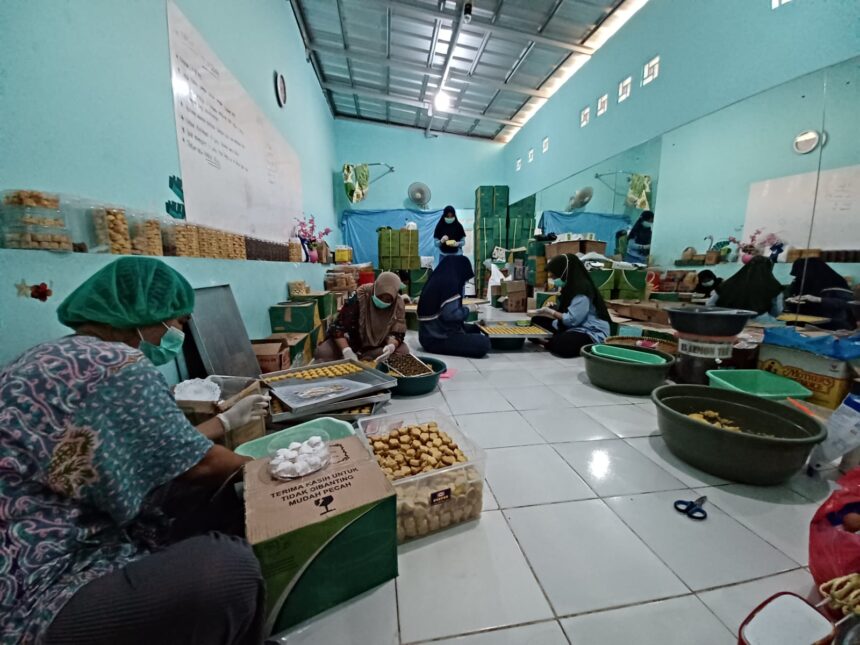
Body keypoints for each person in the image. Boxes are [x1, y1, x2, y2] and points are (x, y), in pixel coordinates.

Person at [0, 257, 267, 645]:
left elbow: (160, 446)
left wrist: (228, 422)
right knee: (228, 568)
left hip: (55, 538)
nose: (178, 334)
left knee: (207, 503)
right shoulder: (114, 363)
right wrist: (277, 469)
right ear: (145, 314)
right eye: (176, 323)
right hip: (32, 585)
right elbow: (200, 466)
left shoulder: (54, 356)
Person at [316, 271, 409, 361]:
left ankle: (368, 355)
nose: (383, 302)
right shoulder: (361, 296)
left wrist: (391, 347)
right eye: (380, 297)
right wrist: (346, 351)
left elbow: (397, 333)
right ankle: (358, 355)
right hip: (353, 342)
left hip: (379, 345)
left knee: (403, 352)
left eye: (388, 300)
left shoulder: (398, 304)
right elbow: (339, 327)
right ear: (375, 289)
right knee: (323, 352)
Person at [530, 254, 611, 358]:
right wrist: (554, 308)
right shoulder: (570, 286)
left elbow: (572, 320)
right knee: (536, 321)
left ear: (564, 272)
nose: (554, 280)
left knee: (562, 344)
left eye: (555, 277)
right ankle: (552, 339)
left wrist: (550, 312)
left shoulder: (582, 290)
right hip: (572, 326)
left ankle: (549, 342)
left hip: (588, 330)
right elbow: (569, 310)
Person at [417, 255, 490, 359]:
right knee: (483, 343)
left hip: (428, 334)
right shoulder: (449, 284)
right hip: (437, 338)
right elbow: (451, 315)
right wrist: (469, 309)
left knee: (476, 328)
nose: (463, 283)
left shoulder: (437, 279)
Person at [785, 258, 856, 330]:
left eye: (802, 275)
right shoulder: (799, 282)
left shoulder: (835, 282)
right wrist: (790, 301)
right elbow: (792, 298)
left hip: (836, 326)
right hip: (806, 324)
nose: (799, 278)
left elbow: (848, 304)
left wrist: (819, 299)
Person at [707, 255, 784, 319]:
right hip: (760, 322)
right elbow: (777, 311)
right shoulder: (774, 286)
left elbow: (710, 304)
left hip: (728, 320)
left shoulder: (729, 283)